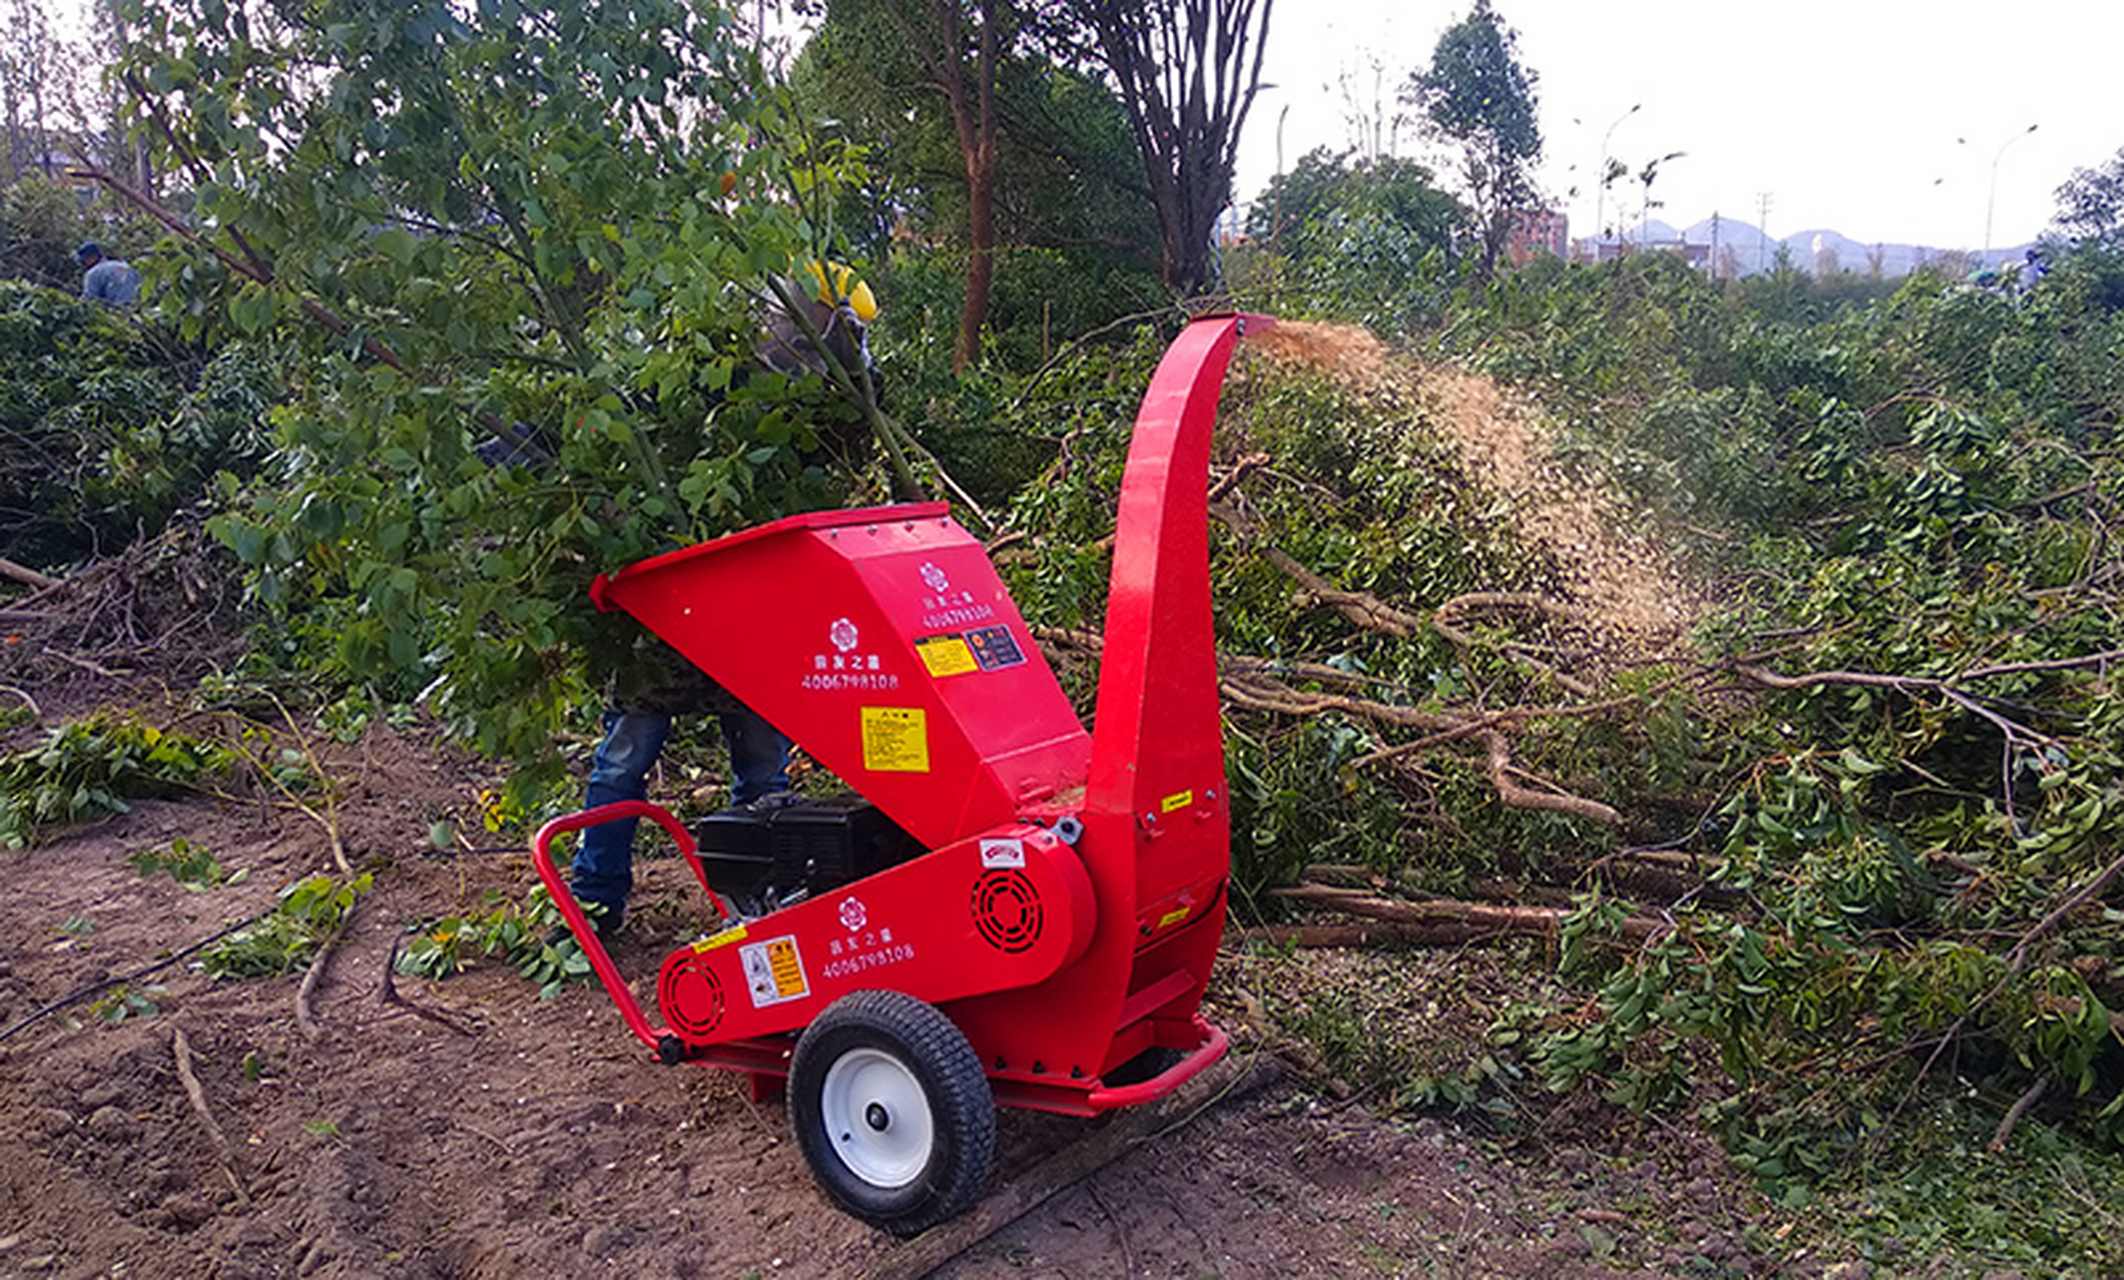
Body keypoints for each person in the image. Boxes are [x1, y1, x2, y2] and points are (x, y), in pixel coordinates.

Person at [563, 261, 879, 943]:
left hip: (752, 612)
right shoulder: (702, 378)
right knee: (624, 761)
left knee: (764, 772)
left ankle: (767, 906)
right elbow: (621, 462)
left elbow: (859, 424)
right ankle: (594, 902)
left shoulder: (821, 405)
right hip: (667, 606)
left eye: (832, 331)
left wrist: (853, 363)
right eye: (815, 326)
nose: (816, 340)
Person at [76, 242, 140, 308]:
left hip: (116, 309)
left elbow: (90, 299)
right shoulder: (124, 265)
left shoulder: (93, 273)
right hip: (136, 307)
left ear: (91, 257)